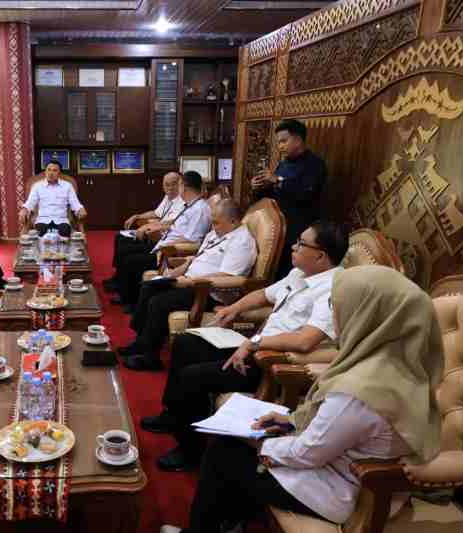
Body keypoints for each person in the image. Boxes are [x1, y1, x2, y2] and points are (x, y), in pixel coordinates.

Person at [161, 265, 442, 533]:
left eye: (338, 307)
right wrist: (291, 420)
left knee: (225, 453)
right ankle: (229, 522)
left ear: (367, 315)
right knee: (236, 448)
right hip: (339, 464)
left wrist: (261, 444)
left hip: (337, 489)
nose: (335, 317)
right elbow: (342, 428)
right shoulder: (402, 364)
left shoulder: (362, 389)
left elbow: (308, 453)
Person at [144, 220, 349, 471]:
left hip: (270, 362)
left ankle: (190, 451)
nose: (293, 247)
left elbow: (306, 340)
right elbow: (263, 295)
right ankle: (173, 415)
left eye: (301, 244)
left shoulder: (332, 290)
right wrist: (233, 308)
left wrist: (254, 343)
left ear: (320, 255)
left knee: (192, 377)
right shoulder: (300, 273)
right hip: (255, 346)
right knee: (186, 343)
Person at [121, 199, 256, 371]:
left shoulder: (242, 242)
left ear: (233, 221)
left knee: (159, 302)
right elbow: (199, 257)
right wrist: (181, 269)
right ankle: (141, 342)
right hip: (188, 280)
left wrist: (192, 281)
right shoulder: (219, 232)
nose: (213, 226)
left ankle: (150, 357)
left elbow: (228, 276)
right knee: (149, 287)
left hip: (207, 292)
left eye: (216, 222)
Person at [114, 170, 211, 310]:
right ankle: (127, 296)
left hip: (170, 252)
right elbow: (173, 224)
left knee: (131, 261)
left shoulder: (200, 210)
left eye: (179, 185)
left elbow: (192, 240)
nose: (177, 189)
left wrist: (164, 247)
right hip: (163, 244)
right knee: (128, 254)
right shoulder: (190, 205)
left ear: (185, 187)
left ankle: (131, 302)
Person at [252, 119, 327, 279]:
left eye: (284, 141)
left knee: (287, 277)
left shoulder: (315, 164)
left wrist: (277, 180)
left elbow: (306, 194)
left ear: (298, 140)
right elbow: (274, 195)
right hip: (276, 229)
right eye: (278, 142)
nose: (280, 146)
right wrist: (258, 187)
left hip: (297, 231)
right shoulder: (283, 164)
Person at [104, 171, 184, 293]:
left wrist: (147, 225)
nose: (170, 188)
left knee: (126, 250)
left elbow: (171, 222)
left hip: (160, 239)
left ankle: (122, 285)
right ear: (163, 185)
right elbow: (156, 213)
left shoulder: (181, 201)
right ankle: (118, 277)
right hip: (154, 234)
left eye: (173, 184)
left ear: (180, 184)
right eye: (167, 184)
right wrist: (137, 216)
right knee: (119, 238)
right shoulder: (168, 197)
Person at [19, 160, 87, 237]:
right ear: (45, 171)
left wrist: (80, 209)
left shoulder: (67, 186)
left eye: (54, 170)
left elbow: (74, 203)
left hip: (61, 220)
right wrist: (25, 209)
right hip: (43, 220)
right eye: (49, 170)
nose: (51, 173)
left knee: (64, 231)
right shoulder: (37, 186)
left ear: (59, 173)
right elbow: (31, 201)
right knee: (40, 232)